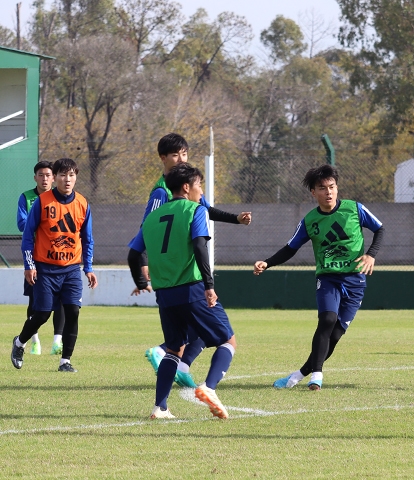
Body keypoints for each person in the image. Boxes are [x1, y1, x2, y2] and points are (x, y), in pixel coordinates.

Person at [127, 133, 250, 388]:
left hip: (177, 277)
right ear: (163, 159)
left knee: (194, 323)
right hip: (179, 271)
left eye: (184, 153)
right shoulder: (162, 191)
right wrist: (145, 264)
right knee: (213, 326)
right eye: (175, 154)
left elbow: (205, 208)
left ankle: (179, 369)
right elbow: (150, 225)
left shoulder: (188, 187)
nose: (181, 158)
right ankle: (168, 356)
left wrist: (235, 218)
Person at [254, 164, 384, 390]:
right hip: (328, 279)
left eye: (332, 187)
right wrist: (268, 262)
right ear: (313, 193)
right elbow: (290, 248)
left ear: (337, 187)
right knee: (327, 320)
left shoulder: (355, 209)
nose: (329, 192)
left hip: (355, 281)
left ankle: (297, 375)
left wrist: (371, 255)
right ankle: (317, 375)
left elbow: (380, 229)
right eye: (322, 188)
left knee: (334, 336)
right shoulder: (310, 220)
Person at [129, 163, 236, 420]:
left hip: (165, 295)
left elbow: (134, 253)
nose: (201, 191)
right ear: (186, 187)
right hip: (193, 289)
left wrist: (142, 283)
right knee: (227, 341)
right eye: (199, 185)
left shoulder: (152, 218)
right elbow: (200, 246)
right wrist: (209, 286)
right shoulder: (195, 210)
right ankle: (208, 388)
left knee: (174, 349)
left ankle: (160, 407)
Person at [11, 158, 98, 373]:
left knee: (73, 311)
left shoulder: (83, 204)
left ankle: (65, 361)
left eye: (71, 175)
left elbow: (87, 239)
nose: (67, 180)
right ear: (55, 177)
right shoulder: (42, 202)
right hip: (45, 269)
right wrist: (29, 265)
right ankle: (19, 342)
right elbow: (28, 235)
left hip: (70, 269)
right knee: (41, 314)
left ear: (76, 177)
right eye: (62, 175)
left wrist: (88, 268)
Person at [16, 161, 66, 356]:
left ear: (53, 178)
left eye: (48, 175)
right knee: (34, 300)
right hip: (35, 256)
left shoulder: (60, 198)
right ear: (35, 177)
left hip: (57, 255)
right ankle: (34, 340)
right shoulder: (26, 198)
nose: (45, 179)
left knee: (62, 299)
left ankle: (57, 342)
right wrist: (41, 221)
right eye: (41, 175)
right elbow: (22, 224)